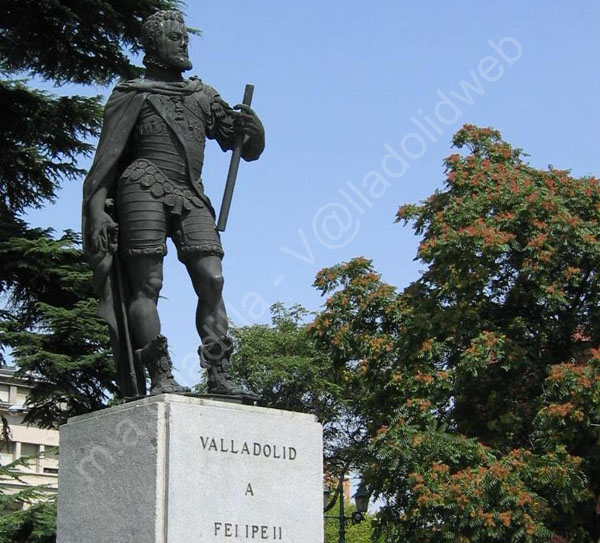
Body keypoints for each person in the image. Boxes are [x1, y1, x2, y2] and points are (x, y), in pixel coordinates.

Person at [82, 10, 265, 398]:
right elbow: (105, 163)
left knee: (212, 278)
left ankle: (220, 373)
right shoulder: (131, 94)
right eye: (174, 36)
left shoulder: (203, 95)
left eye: (185, 36)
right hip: (141, 187)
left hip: (191, 193)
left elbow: (242, 146)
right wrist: (98, 212)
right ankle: (159, 374)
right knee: (148, 283)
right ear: (153, 45)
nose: (183, 42)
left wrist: (253, 128)